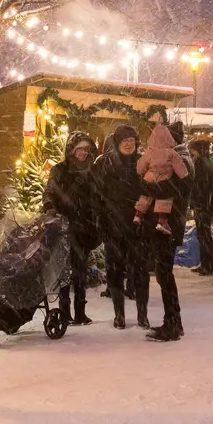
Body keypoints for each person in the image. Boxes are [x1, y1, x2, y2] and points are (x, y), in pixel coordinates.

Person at [92, 124, 149, 329]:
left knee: (141, 271)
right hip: (113, 226)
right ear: (117, 143)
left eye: (132, 141)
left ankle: (143, 314)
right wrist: (101, 220)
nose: (128, 144)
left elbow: (150, 191)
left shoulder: (143, 163)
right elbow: (97, 196)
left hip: (138, 227)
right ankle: (119, 315)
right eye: (125, 140)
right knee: (115, 272)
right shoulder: (104, 164)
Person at [42, 131, 100, 325]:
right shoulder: (59, 170)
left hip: (84, 227)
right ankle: (65, 311)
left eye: (86, 149)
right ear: (72, 150)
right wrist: (50, 208)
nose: (83, 152)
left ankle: (80, 312)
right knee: (65, 270)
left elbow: (97, 197)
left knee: (80, 270)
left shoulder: (92, 171)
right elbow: (50, 191)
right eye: (80, 149)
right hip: (65, 226)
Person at [145, 124, 191, 342]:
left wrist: (149, 188)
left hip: (168, 223)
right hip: (169, 222)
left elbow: (173, 190)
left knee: (164, 273)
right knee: (164, 273)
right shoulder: (178, 158)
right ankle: (174, 321)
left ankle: (172, 323)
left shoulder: (175, 160)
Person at [132, 123, 188, 235]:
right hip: (164, 177)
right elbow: (179, 166)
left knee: (145, 196)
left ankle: (138, 214)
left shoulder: (149, 152)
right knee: (164, 199)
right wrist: (184, 175)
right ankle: (162, 222)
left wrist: (140, 172)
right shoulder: (172, 153)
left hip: (150, 177)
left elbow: (140, 166)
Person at [186, 137, 213, 275]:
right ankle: (205, 264)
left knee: (204, 236)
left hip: (203, 206)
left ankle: (207, 266)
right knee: (203, 236)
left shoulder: (202, 164)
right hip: (203, 205)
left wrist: (199, 203)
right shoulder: (204, 163)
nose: (191, 153)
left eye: (192, 150)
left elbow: (203, 188)